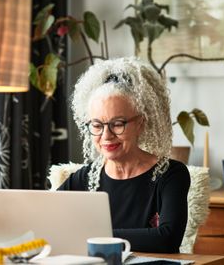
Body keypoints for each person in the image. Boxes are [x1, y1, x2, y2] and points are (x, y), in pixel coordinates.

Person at [58, 57, 190, 253]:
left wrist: (92, 235)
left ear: (141, 123)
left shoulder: (171, 175)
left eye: (118, 124)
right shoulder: (83, 178)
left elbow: (167, 238)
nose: (106, 136)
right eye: (97, 125)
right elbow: (49, 224)